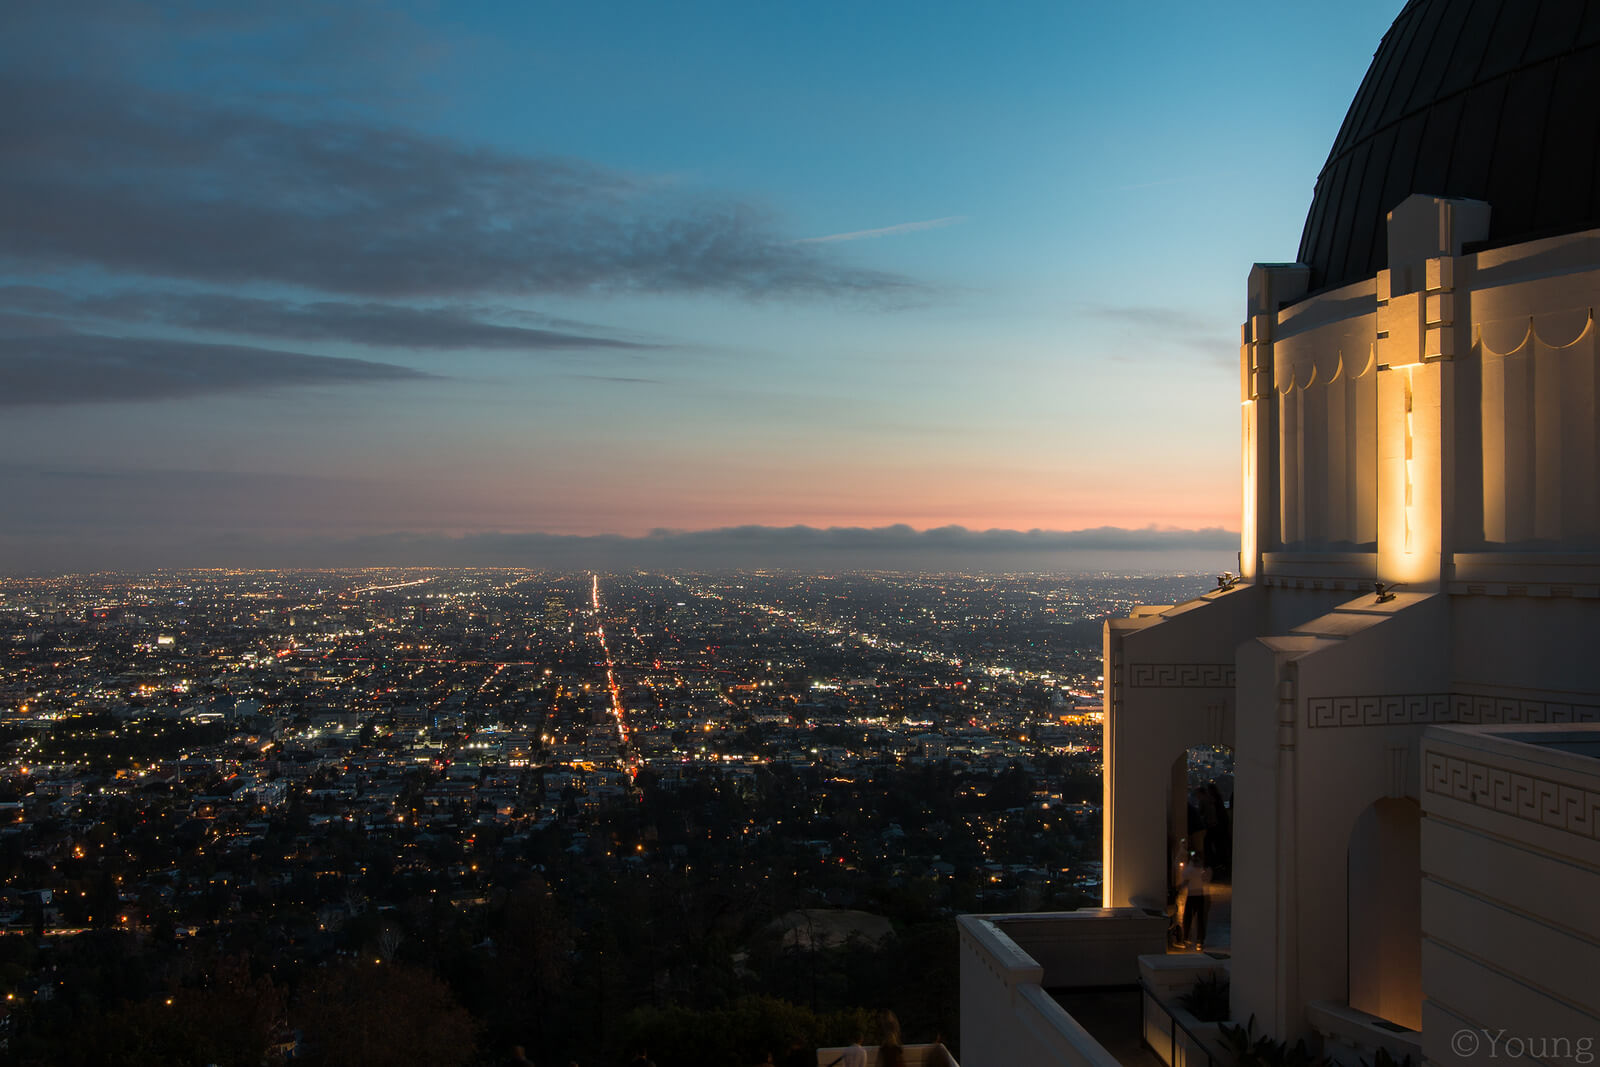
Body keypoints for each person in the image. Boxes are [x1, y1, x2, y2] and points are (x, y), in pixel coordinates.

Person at [1180, 851, 1211, 949]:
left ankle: (1186, 939)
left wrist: (1179, 888)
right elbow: (1206, 878)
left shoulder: (1190, 869)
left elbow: (1185, 877)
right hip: (1200, 895)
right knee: (1200, 919)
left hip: (1192, 895)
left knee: (1188, 918)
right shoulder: (1202, 869)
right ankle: (1199, 941)